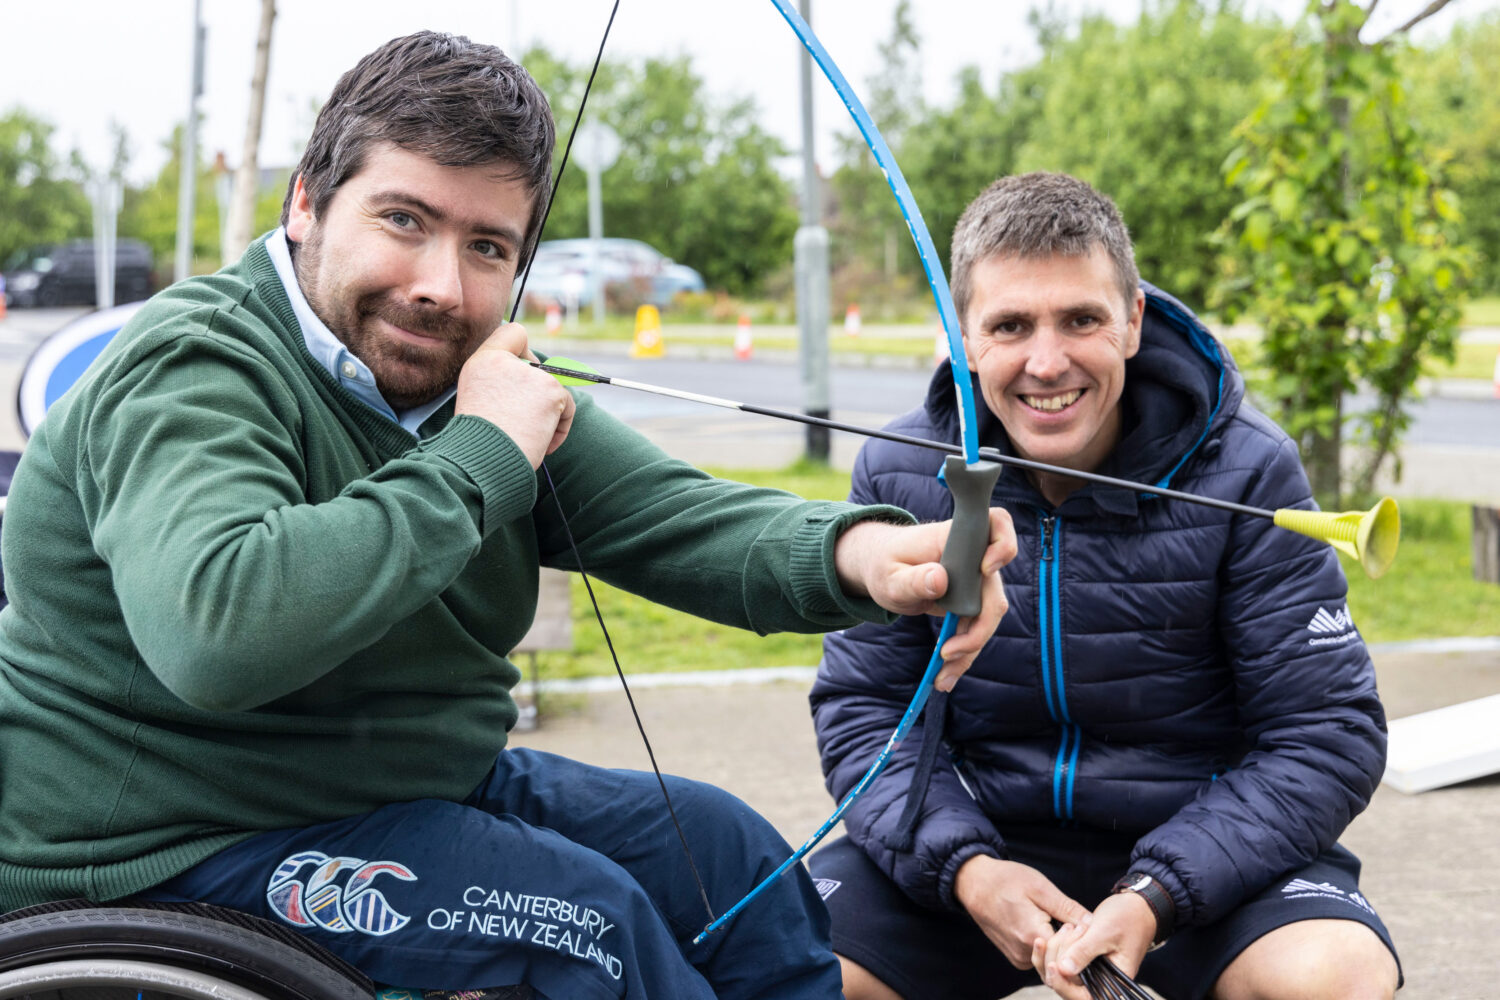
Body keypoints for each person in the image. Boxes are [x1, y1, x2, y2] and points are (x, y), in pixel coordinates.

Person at [0, 32, 1016, 1000]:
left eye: (487, 246)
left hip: (403, 795)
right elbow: (219, 631)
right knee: (584, 922)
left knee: (723, 852)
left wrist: (874, 555)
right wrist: (482, 449)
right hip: (164, 846)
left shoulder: (471, 384)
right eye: (404, 219)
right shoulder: (199, 364)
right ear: (307, 201)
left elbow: (682, 521)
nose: (441, 286)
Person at [806, 172, 1400, 1000]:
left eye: (1080, 319)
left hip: (1205, 852)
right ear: (964, 339)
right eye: (1010, 325)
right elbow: (863, 710)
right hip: (973, 845)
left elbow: (1327, 732)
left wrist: (1156, 893)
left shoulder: (1251, 468)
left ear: (1131, 322)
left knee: (1329, 978)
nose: (1046, 363)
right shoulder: (897, 468)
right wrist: (969, 869)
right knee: (799, 974)